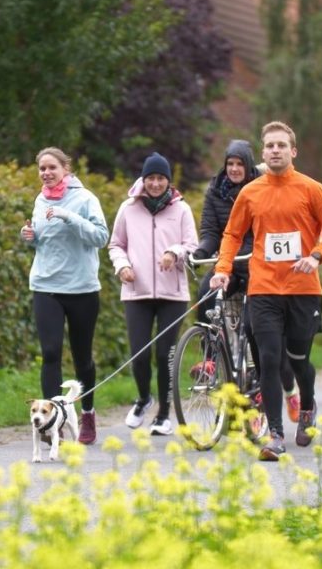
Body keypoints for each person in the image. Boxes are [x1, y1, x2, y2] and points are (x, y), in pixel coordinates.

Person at [210, 121, 322, 457]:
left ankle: (308, 404)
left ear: (293, 151)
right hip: (264, 288)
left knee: (298, 361)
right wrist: (223, 269)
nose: (275, 151)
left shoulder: (312, 189)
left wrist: (317, 255)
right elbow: (232, 235)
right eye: (269, 146)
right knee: (268, 359)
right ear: (263, 152)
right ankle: (276, 436)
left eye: (282, 145)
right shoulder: (250, 192)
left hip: (302, 289)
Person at [192, 141, 298, 421]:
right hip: (229, 264)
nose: (235, 169)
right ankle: (210, 359)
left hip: (257, 265)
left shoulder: (260, 189)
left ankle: (288, 390)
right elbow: (211, 230)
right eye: (230, 164)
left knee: (258, 330)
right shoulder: (215, 191)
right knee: (206, 293)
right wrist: (202, 251)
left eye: (240, 164)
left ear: (249, 166)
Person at [20, 147, 109, 445]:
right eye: (42, 168)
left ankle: (87, 413)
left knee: (83, 358)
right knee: (50, 353)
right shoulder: (40, 199)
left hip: (82, 288)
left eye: (51, 168)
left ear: (65, 169)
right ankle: (50, 422)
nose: (46, 173)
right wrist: (31, 238)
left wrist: (69, 216)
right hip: (45, 285)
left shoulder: (85, 199)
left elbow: (100, 237)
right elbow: (44, 240)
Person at [109, 152, 198, 436]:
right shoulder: (128, 208)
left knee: (165, 355)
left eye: (161, 179)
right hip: (137, 291)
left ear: (168, 181)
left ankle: (163, 414)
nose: (156, 184)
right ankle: (144, 398)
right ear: (143, 179)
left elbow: (192, 245)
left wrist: (175, 252)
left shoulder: (181, 209)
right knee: (139, 353)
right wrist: (122, 266)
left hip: (173, 294)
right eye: (151, 178)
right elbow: (116, 245)